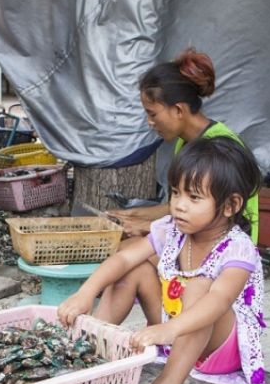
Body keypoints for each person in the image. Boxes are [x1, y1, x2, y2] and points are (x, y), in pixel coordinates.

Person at [58, 137, 267, 384]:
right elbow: (124, 260)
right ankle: (91, 356)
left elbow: (218, 302)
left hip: (218, 347)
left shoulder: (237, 247)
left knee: (201, 288)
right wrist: (86, 293)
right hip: (174, 327)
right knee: (133, 270)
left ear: (230, 205)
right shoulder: (172, 229)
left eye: (193, 198)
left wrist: (168, 329)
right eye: (175, 193)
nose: (179, 206)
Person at [110, 48, 259, 245]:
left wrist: (146, 226)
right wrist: (130, 215)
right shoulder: (185, 141)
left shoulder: (220, 148)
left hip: (225, 249)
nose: (149, 122)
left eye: (153, 114)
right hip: (198, 240)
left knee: (126, 251)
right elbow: (182, 206)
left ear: (179, 109)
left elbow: (211, 218)